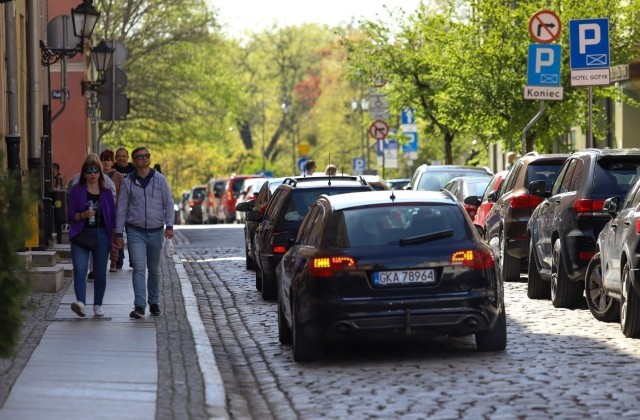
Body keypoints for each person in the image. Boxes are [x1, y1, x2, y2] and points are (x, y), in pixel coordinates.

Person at [114, 147, 175, 319]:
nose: (144, 159)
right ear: (134, 160)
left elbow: (169, 204)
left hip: (156, 231)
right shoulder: (128, 182)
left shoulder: (160, 180)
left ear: (149, 159)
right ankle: (139, 306)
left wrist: (169, 225)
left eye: (146, 156)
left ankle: (154, 302)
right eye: (140, 157)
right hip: (135, 230)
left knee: (154, 269)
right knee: (139, 268)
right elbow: (122, 208)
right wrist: (119, 233)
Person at [66, 157, 116, 317]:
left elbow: (112, 218)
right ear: (84, 174)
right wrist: (83, 215)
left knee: (100, 272)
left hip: (101, 234)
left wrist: (115, 238)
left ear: (101, 173)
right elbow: (70, 215)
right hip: (81, 234)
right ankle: (80, 302)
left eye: (95, 170)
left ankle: (98, 305)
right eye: (89, 171)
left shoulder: (107, 193)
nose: (92, 174)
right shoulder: (77, 190)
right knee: (80, 269)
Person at [100, 149, 126, 272]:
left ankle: (114, 261)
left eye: (108, 160)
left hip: (114, 211)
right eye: (104, 160)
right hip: (100, 211)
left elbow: (122, 194)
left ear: (112, 162)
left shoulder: (118, 176)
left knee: (114, 236)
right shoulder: (96, 175)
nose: (106, 163)